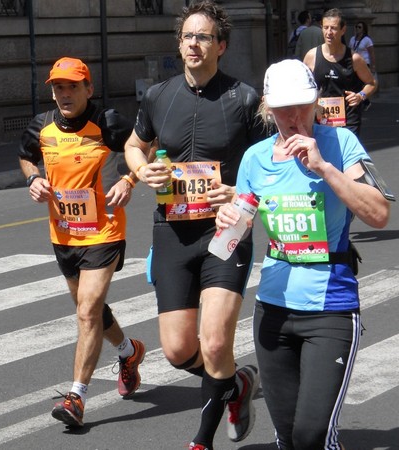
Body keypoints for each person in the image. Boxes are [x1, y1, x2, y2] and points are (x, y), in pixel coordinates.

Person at [216, 58, 391, 450]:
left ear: (315, 102)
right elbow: (237, 229)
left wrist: (325, 168)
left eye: (302, 105)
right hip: (274, 309)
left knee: (313, 436)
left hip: (329, 307)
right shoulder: (255, 158)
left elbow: (379, 212)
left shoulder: (341, 144)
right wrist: (228, 218)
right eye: (283, 108)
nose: (294, 116)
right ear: (267, 107)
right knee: (289, 439)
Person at [124, 2, 264, 449]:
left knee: (216, 340)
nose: (193, 44)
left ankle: (201, 441)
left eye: (204, 37)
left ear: (221, 46)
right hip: (172, 231)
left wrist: (240, 192)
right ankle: (237, 384)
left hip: (227, 229)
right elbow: (134, 144)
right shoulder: (158, 96)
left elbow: (267, 165)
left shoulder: (243, 97)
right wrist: (141, 170)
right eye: (188, 36)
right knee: (179, 350)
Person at [18, 57, 145, 428]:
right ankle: (128, 352)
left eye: (73, 86)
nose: (65, 94)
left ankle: (76, 397)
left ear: (89, 88)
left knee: (87, 311)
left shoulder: (108, 123)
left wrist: (128, 181)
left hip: (104, 231)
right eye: (59, 87)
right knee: (91, 310)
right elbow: (25, 156)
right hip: (63, 234)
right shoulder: (42, 126)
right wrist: (32, 179)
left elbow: (145, 147)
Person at [304, 8, 377, 138]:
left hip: (348, 120)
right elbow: (303, 85)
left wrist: (360, 96)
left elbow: (372, 83)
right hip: (320, 119)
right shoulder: (312, 56)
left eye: (333, 28)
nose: (329, 32)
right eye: (325, 27)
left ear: (343, 30)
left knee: (345, 157)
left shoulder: (354, 59)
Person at [349, 21, 376, 111]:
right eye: (356, 27)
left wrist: (373, 66)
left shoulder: (367, 40)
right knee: (356, 83)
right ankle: (363, 101)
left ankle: (365, 101)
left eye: (359, 27)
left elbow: (371, 53)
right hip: (355, 63)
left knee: (361, 83)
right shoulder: (352, 39)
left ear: (364, 29)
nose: (357, 29)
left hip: (365, 63)